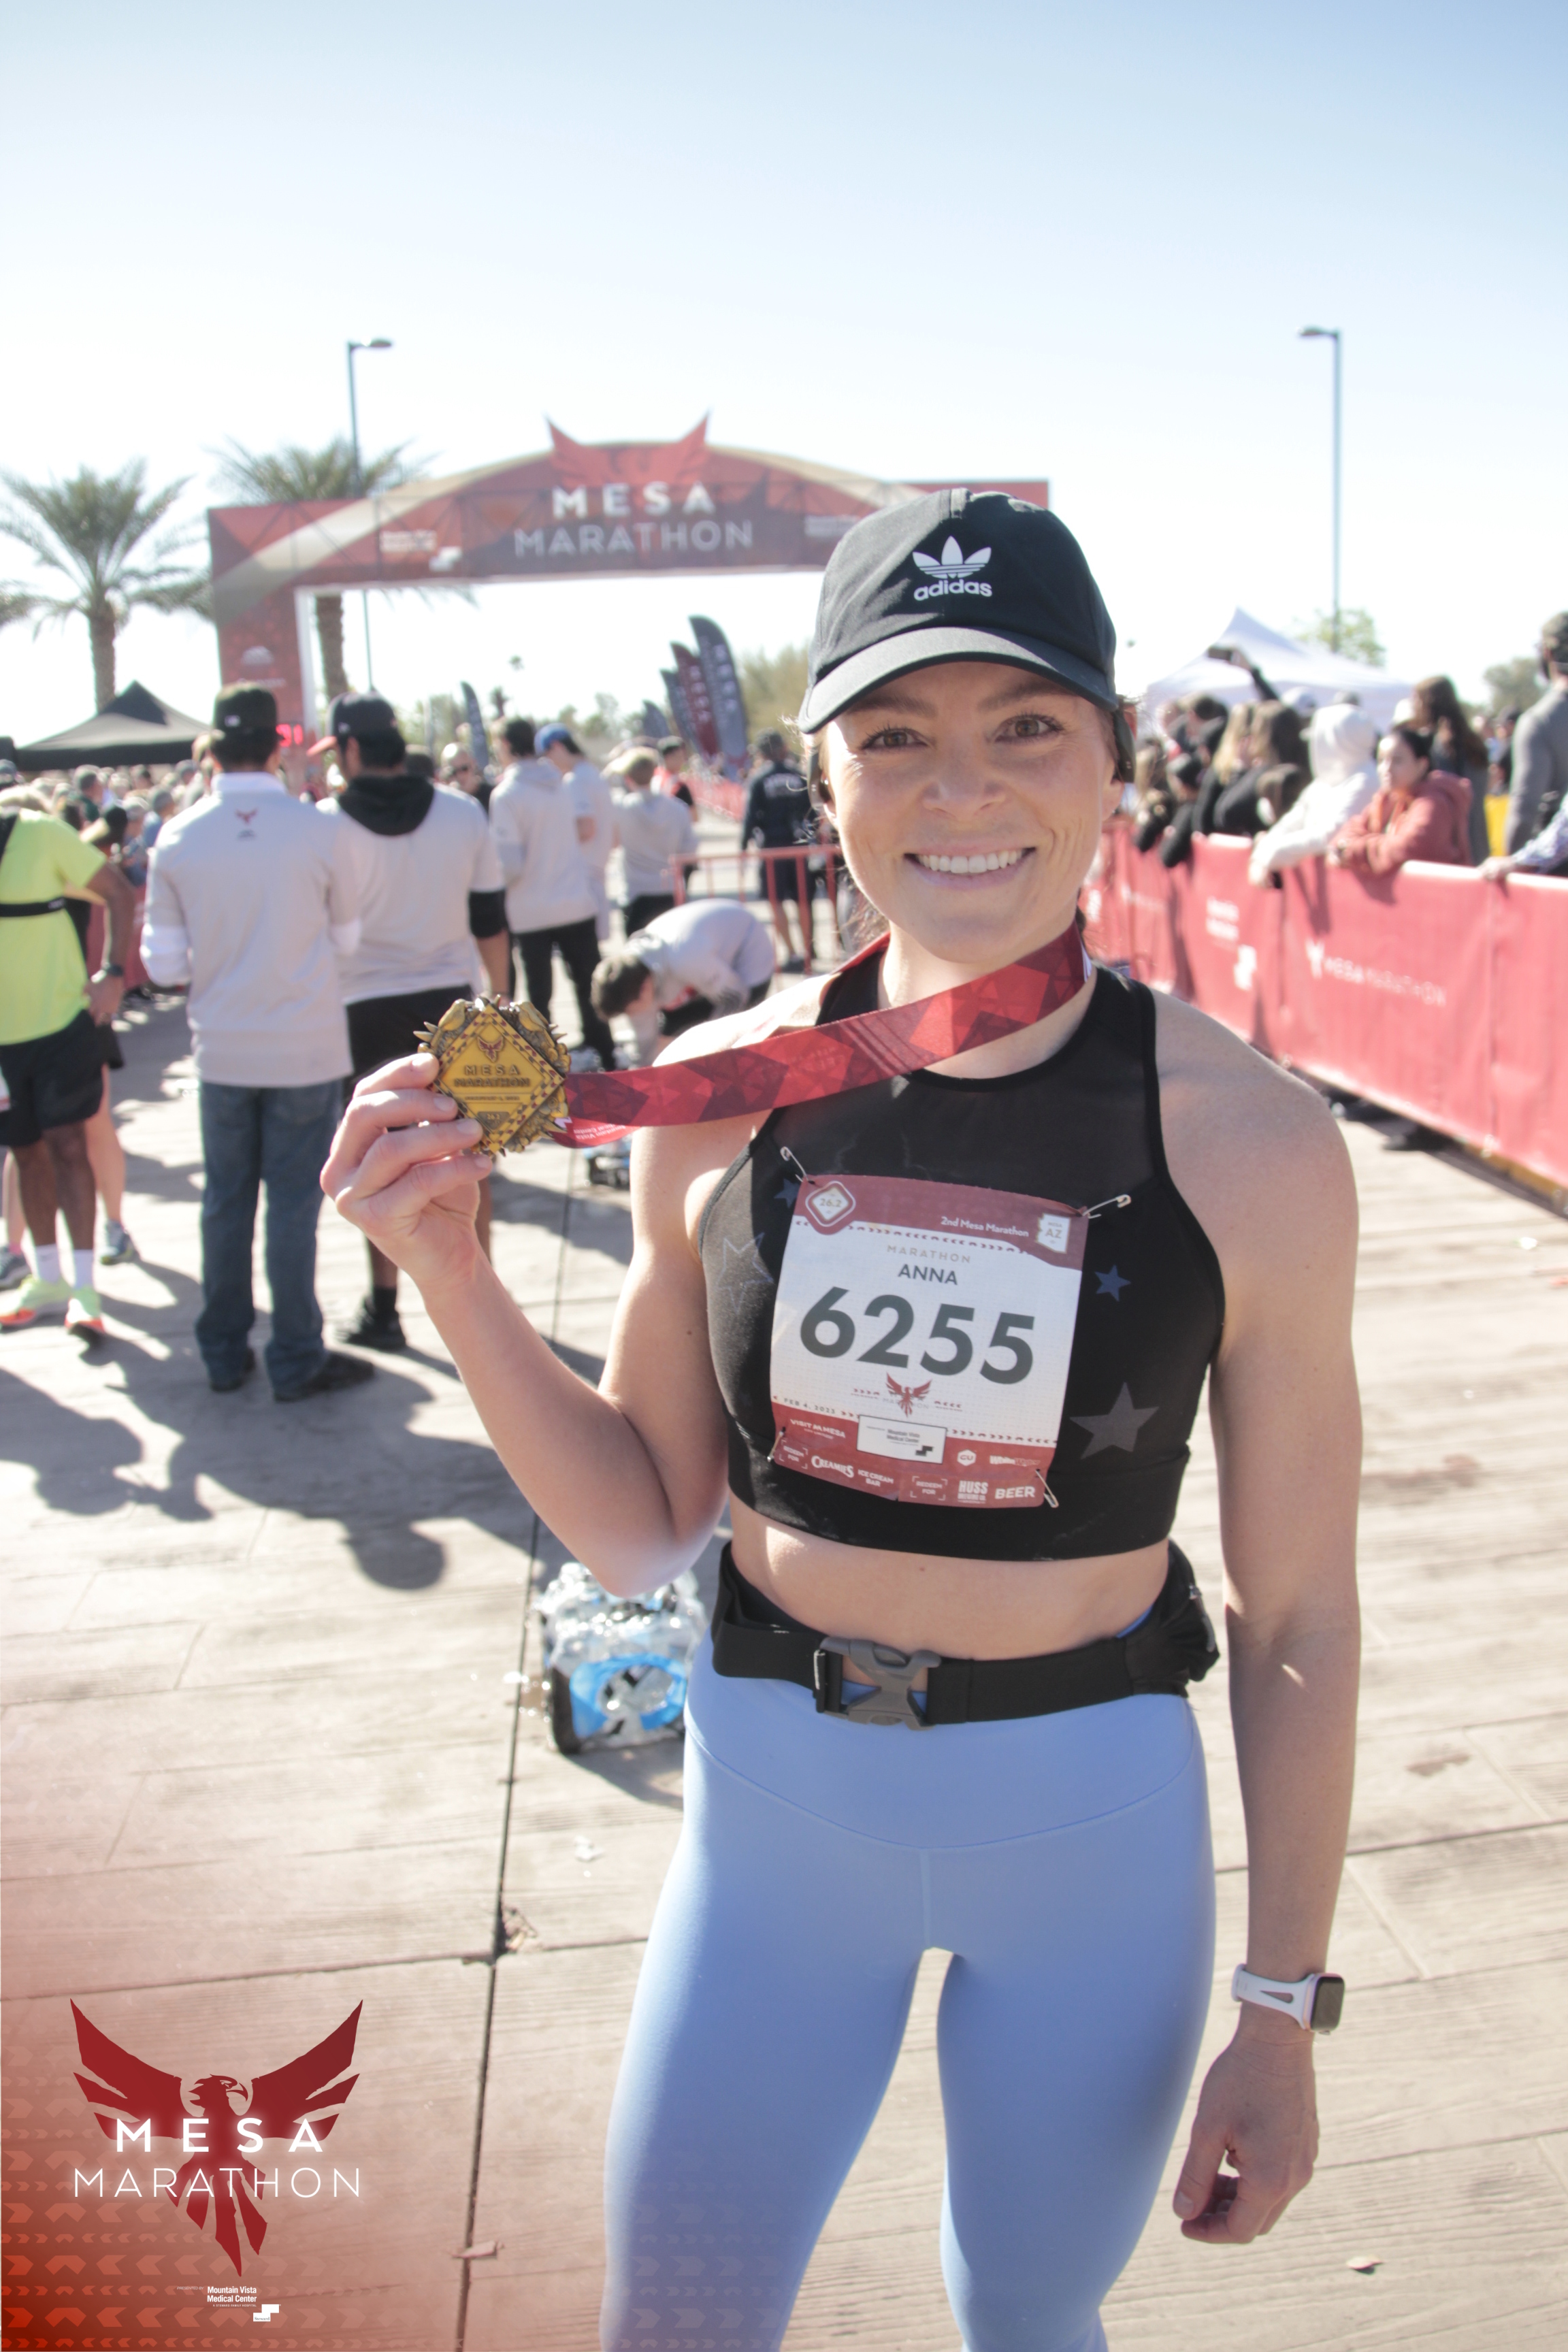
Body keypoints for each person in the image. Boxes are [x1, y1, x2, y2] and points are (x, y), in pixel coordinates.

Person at [324, 490, 1360, 2352]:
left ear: (1114, 764)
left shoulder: (1254, 1141)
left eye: (1025, 725)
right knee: (676, 2324)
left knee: (1029, 2314)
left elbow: (1296, 1615)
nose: (962, 790)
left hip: (1091, 1834)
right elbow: (641, 1523)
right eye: (895, 735)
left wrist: (1282, 2008)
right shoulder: (716, 1099)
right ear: (821, 776)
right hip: (775, 1828)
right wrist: (455, 1276)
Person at [140, 685, 372, 1401]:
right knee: (294, 1206)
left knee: (226, 1203)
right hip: (304, 1044)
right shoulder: (319, 831)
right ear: (277, 747)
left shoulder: (178, 837)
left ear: (211, 750)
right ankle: (296, 1355)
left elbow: (163, 966)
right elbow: (348, 940)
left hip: (224, 1048)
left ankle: (222, 1351)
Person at [314, 693, 510, 1352]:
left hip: (363, 1007)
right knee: (469, 1152)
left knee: (378, 1162)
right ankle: (483, 1294)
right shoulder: (461, 813)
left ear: (350, 750)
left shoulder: (325, 825)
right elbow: (490, 919)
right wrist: (502, 1004)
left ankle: (384, 1308)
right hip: (451, 1002)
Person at [0, 786, 136, 1334]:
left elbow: (119, 891)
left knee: (70, 1147)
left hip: (61, 1026)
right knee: (25, 1152)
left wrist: (114, 975)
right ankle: (48, 1277)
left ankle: (85, 1289)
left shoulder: (40, 833)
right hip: (4, 1043)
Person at [488, 717, 616, 1069]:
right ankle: (606, 1053)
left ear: (505, 746)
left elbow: (510, 864)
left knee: (539, 994)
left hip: (531, 909)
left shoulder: (507, 795)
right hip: (576, 900)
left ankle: (544, 1063)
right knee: (588, 984)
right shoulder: (562, 783)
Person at [591, 896, 775, 1059]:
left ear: (644, 989)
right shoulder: (634, 977)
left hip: (747, 951)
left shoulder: (685, 958)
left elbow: (736, 998)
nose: (631, 1016)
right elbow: (647, 1045)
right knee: (673, 1036)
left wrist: (715, 1050)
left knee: (737, 1042)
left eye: (630, 1011)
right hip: (706, 971)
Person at [1249, 701, 1379, 885]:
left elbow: (1329, 835)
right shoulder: (1323, 783)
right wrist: (1263, 854)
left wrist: (1270, 854)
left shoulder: (1366, 781)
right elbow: (1292, 821)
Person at [1328, 723, 1471, 873]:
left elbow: (1408, 848)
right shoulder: (1386, 799)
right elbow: (1346, 834)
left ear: (1422, 765)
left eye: (1397, 761)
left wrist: (1353, 850)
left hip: (1436, 887)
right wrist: (1346, 847)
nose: (1387, 769)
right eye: (1381, 760)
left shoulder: (1434, 802)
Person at [605, 746, 699, 934]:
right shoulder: (678, 809)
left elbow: (612, 843)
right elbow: (689, 850)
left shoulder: (620, 808)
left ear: (627, 778)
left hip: (635, 892)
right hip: (670, 890)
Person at [742, 729, 815, 965]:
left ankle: (792, 952)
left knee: (776, 901)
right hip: (799, 846)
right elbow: (813, 812)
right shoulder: (799, 775)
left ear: (761, 753)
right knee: (803, 899)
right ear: (784, 748)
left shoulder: (759, 780)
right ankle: (809, 950)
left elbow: (750, 818)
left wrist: (743, 847)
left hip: (772, 849)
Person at [538, 722, 616, 942]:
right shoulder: (593, 774)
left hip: (584, 875)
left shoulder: (576, 780)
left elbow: (586, 828)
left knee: (585, 950)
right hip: (596, 870)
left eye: (546, 755)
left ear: (557, 747)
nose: (547, 763)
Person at [1503, 612, 1568, 856]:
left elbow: (1524, 811)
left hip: (1554, 865)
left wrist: (1512, 862)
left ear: (1547, 653)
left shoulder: (1540, 721)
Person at [1409, 676, 1490, 865]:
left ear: (1427, 703)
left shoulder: (1435, 745)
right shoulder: (1475, 743)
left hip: (1450, 848)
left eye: (1416, 700)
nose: (1414, 706)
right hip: (1478, 844)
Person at [1208, 702, 1309, 837]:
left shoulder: (1266, 774)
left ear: (1264, 736)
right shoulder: (1310, 770)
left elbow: (1225, 816)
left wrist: (1242, 771)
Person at [653, 735, 696, 808]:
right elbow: (692, 813)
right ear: (668, 757)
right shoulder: (675, 784)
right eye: (680, 756)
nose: (683, 760)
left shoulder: (656, 775)